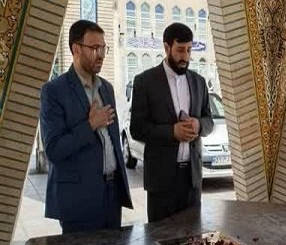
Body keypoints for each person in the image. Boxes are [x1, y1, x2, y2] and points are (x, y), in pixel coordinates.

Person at [40, 20, 133, 233]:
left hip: (112, 195)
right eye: (94, 48)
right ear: (76, 49)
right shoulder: (54, 91)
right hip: (78, 200)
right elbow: (54, 150)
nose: (100, 54)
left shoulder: (106, 88)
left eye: (103, 48)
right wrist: (90, 125)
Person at [130, 23, 213, 223]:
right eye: (180, 50)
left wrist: (198, 125)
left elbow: (209, 121)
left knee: (193, 236)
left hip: (191, 180)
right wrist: (172, 132)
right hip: (161, 182)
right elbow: (137, 129)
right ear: (167, 48)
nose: (186, 57)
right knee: (160, 239)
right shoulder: (145, 82)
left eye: (189, 50)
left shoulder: (199, 82)